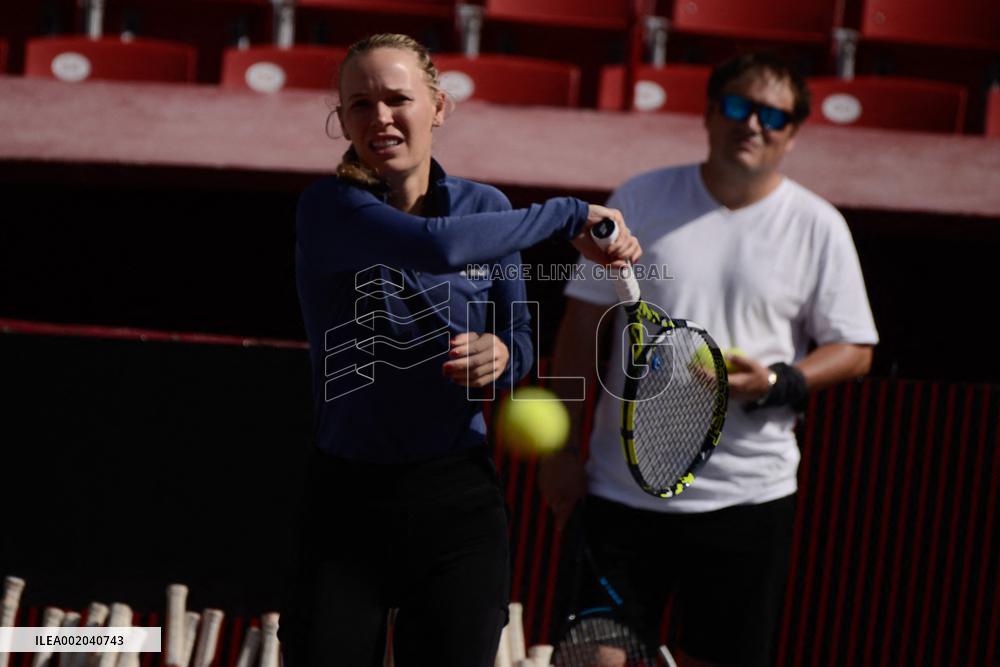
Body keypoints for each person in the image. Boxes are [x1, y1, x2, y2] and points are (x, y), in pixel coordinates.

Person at [278, 33, 640, 667]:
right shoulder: (328, 208)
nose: (380, 118)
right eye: (359, 105)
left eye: (398, 99)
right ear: (341, 121)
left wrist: (502, 356)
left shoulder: (489, 209)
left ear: (438, 107)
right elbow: (436, 246)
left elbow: (523, 342)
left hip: (456, 503)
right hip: (345, 504)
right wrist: (567, 213)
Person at [540, 52, 878, 667]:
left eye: (773, 115)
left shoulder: (818, 226)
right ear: (708, 113)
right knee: (587, 661)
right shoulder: (639, 197)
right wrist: (563, 452)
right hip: (621, 496)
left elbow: (855, 350)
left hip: (749, 499)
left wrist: (778, 380)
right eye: (736, 105)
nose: (752, 124)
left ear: (793, 133)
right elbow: (582, 324)